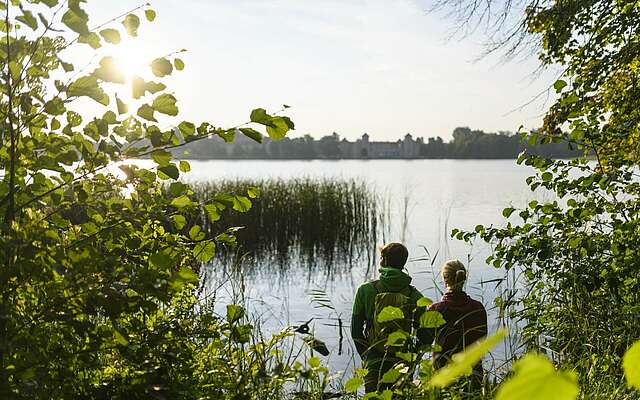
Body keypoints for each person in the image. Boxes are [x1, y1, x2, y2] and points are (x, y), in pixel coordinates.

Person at [350, 242, 426, 393]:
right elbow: (426, 334)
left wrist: (367, 357)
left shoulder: (365, 290)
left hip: (374, 360)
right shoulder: (415, 296)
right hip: (402, 362)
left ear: (383, 260)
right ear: (403, 263)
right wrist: (412, 357)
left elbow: (355, 331)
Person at [427, 260, 488, 389]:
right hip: (473, 372)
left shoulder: (435, 310)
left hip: (443, 373)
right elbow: (482, 339)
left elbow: (425, 340)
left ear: (445, 280)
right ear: (464, 278)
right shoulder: (478, 308)